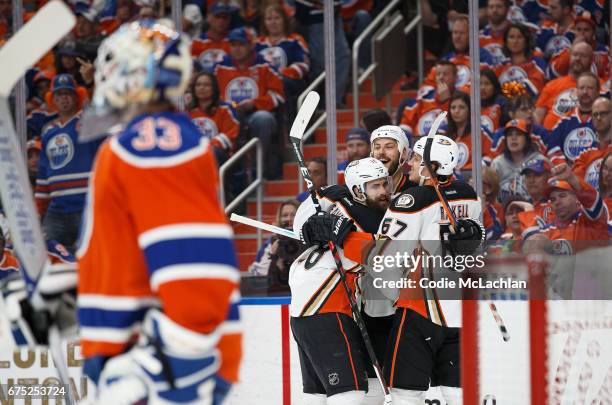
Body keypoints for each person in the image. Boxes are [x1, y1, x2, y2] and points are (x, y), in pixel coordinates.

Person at [76, 20, 241, 403]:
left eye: (114, 66)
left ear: (138, 73)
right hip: (141, 361)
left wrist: (161, 375)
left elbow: (198, 272)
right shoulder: (150, 141)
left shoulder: (151, 144)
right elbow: (132, 265)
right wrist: (63, 304)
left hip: (164, 375)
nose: (104, 77)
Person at [300, 135, 484, 405]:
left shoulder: (412, 200)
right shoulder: (469, 194)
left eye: (418, 159)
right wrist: (476, 232)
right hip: (459, 310)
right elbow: (474, 240)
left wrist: (344, 236)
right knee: (457, 391)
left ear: (431, 165)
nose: (410, 164)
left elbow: (382, 259)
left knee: (404, 393)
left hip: (421, 310)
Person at [291, 157, 393, 405]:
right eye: (375, 186)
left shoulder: (343, 202)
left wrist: (329, 227)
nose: (384, 192)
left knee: (319, 396)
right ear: (357, 190)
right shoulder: (342, 201)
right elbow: (299, 226)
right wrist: (313, 226)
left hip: (306, 312)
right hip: (326, 308)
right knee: (351, 393)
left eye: (384, 184)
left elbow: (379, 255)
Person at [35, 74, 101, 253]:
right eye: (59, 94)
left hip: (85, 207)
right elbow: (43, 178)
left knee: (90, 254)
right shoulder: (48, 133)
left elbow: (102, 109)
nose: (63, 98)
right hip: (57, 211)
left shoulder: (88, 123)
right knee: (47, 253)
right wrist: (37, 212)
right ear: (52, 100)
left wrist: (91, 82)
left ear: (76, 96)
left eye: (68, 94)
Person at [215, 26, 285, 179]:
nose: (237, 49)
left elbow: (278, 95)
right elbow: (213, 95)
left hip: (254, 114)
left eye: (241, 45)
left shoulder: (264, 66)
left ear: (250, 45)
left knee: (263, 119)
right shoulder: (220, 67)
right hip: (228, 116)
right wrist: (228, 108)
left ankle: (257, 170)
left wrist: (255, 103)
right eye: (233, 45)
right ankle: (233, 174)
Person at [530, 163, 609, 253]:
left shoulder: (590, 220)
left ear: (577, 197)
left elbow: (593, 200)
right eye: (553, 199)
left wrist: (572, 179)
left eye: (562, 195)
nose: (557, 202)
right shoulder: (545, 232)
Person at [295, 0, 349, 106]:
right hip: (311, 23)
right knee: (319, 63)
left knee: (343, 57)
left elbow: (336, 7)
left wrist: (327, 6)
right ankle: (316, 104)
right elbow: (301, 11)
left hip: (334, 19)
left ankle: (334, 101)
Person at [422, 14, 494, 89]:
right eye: (455, 32)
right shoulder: (445, 59)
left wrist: (453, 95)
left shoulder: (483, 57)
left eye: (462, 33)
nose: (457, 36)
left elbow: (484, 87)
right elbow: (428, 85)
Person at [534, 41, 594, 130]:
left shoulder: (599, 86)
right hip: (550, 135)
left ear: (591, 60)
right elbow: (538, 116)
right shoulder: (552, 85)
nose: (578, 58)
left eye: (583, 56)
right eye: (575, 55)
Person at [256, 4, 310, 102]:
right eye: (269, 19)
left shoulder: (295, 40)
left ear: (284, 20)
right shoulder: (257, 44)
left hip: (289, 82)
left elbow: (303, 65)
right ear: (264, 23)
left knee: (282, 83)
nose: (273, 22)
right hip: (262, 83)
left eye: (277, 18)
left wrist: (280, 74)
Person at [188, 72, 240, 164]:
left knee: (212, 152)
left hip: (221, 155)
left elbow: (230, 135)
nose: (201, 88)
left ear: (214, 88)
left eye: (206, 85)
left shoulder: (226, 109)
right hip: (194, 152)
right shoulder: (187, 111)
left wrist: (205, 147)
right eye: (198, 85)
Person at [547, 72, 600, 163]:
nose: (585, 92)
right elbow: (553, 149)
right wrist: (564, 167)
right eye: (581, 88)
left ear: (598, 91)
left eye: (590, 88)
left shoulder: (605, 120)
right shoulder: (564, 122)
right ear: (576, 91)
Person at [400, 61, 462, 138]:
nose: (441, 77)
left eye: (445, 74)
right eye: (438, 74)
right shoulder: (424, 99)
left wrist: (446, 101)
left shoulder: (462, 100)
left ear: (455, 78)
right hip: (420, 144)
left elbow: (460, 127)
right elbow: (406, 123)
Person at [491, 118, 547, 202]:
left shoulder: (539, 160)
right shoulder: (497, 163)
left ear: (527, 138)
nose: (513, 138)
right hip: (505, 209)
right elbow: (492, 195)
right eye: (510, 135)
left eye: (519, 134)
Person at [247, 199, 300, 283]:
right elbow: (260, 274)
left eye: (293, 215)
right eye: (285, 215)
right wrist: (273, 256)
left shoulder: (309, 239)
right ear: (279, 218)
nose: (289, 219)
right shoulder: (273, 241)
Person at [444, 91, 494, 174]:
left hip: (475, 178)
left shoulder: (480, 132)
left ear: (470, 110)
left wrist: (467, 170)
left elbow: (491, 156)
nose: (456, 111)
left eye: (462, 107)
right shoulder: (446, 136)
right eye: (453, 108)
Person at [494, 23, 547, 96]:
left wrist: (500, 91)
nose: (515, 41)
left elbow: (533, 89)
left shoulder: (536, 63)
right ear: (506, 41)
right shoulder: (500, 67)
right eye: (511, 37)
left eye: (520, 37)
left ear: (527, 40)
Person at [572, 97, 612, 187]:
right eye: (595, 114)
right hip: (593, 200)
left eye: (603, 113)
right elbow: (577, 186)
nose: (598, 118)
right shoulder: (584, 155)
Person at [369, 125, 415, 194]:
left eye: (389, 147)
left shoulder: (416, 187)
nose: (381, 152)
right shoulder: (362, 188)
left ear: (403, 152)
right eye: (377, 147)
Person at [518, 157, 556, 239]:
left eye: (537, 175)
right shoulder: (522, 206)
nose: (531, 180)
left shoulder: (554, 205)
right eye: (528, 176)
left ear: (549, 177)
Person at [191, 2, 235, 72]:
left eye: (224, 18)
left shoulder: (234, 42)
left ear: (229, 20)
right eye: (217, 17)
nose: (221, 21)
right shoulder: (196, 42)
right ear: (208, 18)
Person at [479, 0, 512, 65]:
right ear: (487, 10)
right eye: (491, 7)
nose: (494, 10)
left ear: (507, 9)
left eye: (499, 6)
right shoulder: (479, 37)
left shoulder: (516, 35)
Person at [480, 68, 504, 133]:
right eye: (479, 84)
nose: (483, 87)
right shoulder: (471, 105)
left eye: (487, 84)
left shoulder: (502, 104)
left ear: (494, 86)